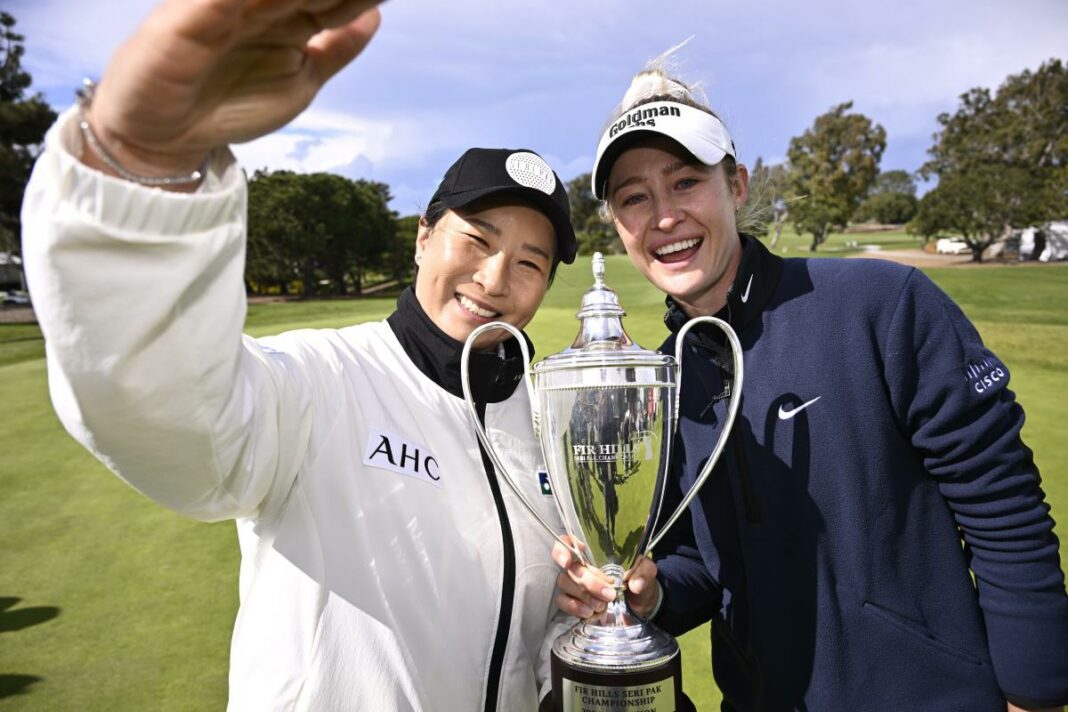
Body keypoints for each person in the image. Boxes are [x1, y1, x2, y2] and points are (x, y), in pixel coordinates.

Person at [22, 1, 580, 709]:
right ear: (421, 236)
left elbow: (528, 624)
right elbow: (168, 412)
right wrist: (145, 167)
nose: (495, 279)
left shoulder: (548, 422)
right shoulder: (322, 380)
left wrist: (580, 615)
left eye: (530, 262)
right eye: (475, 239)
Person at [554, 59, 1068, 711]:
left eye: (686, 181)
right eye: (634, 197)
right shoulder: (659, 381)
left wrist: (1035, 693)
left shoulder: (880, 303)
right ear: (616, 223)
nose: (664, 216)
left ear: (736, 186)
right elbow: (702, 567)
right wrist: (646, 593)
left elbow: (1003, 504)